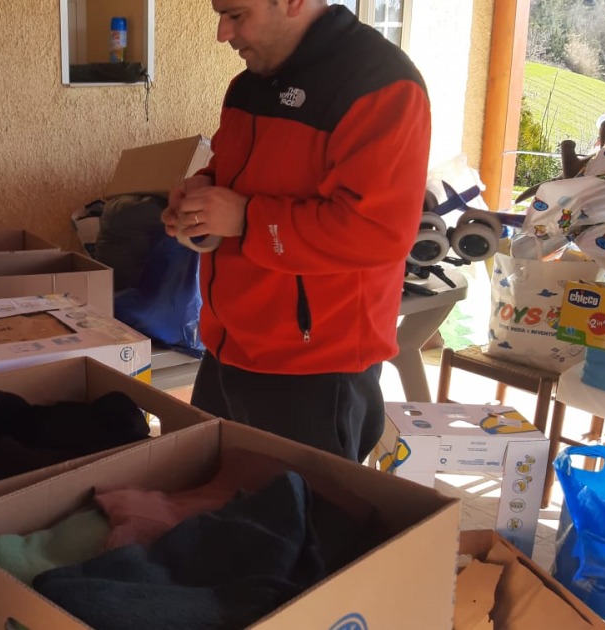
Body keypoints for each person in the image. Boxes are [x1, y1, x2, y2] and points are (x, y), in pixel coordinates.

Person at [160, 0, 431, 462]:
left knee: (304, 509)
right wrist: (201, 197)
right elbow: (235, 175)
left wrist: (244, 219)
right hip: (228, 347)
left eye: (236, 15)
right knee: (211, 496)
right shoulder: (248, 84)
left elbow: (377, 232)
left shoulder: (379, 85)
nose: (223, 34)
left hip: (316, 371)